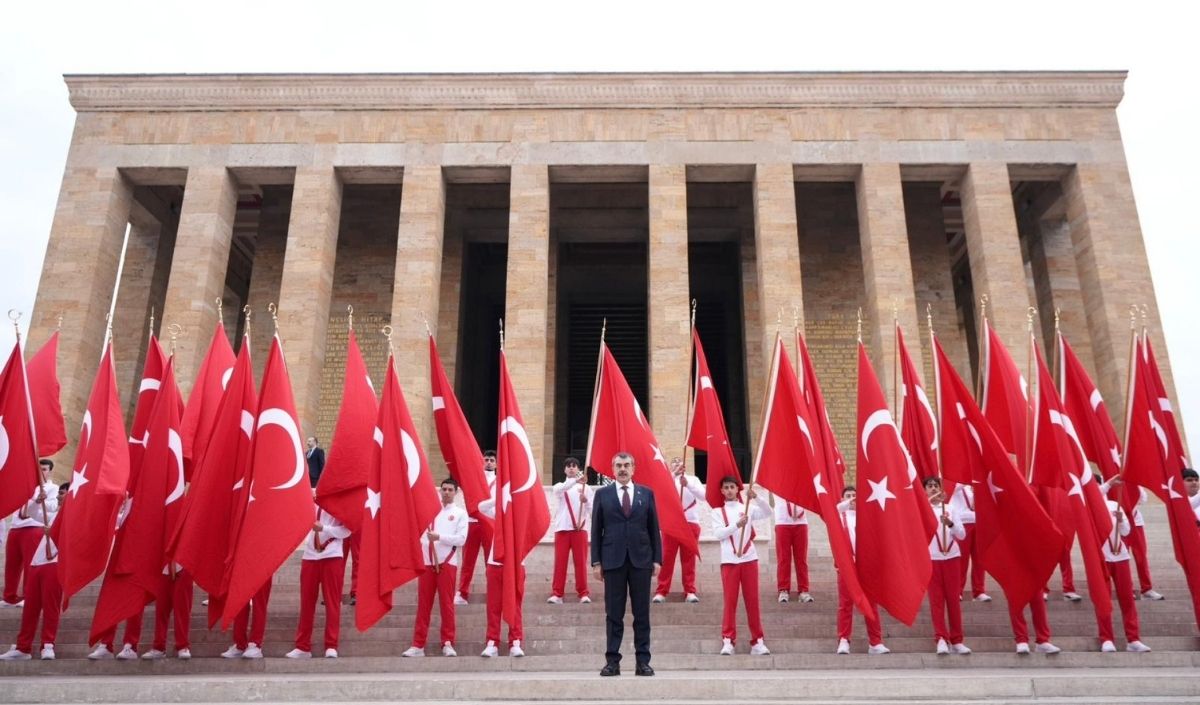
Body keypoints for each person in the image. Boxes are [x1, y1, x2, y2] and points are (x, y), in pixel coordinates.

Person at [591, 452, 661, 677]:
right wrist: (596, 561)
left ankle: (643, 661)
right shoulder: (602, 495)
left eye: (626, 465)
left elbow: (653, 529)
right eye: (618, 465)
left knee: (642, 614)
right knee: (614, 614)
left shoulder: (646, 494)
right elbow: (596, 529)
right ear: (612, 469)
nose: (623, 469)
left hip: (641, 560)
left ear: (634, 468)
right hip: (613, 560)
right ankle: (612, 661)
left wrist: (657, 559)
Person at [403, 478, 468, 657]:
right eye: (444, 489)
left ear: (456, 492)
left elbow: (461, 539)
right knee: (423, 605)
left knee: (446, 604)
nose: (446, 492)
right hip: (427, 562)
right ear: (440, 491)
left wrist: (439, 537)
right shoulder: (429, 512)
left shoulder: (460, 514)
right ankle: (418, 644)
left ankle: (447, 642)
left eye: (450, 490)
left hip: (447, 563)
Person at [712, 478, 771, 656]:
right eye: (726, 488)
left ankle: (757, 641)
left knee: (752, 601)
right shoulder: (717, 511)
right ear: (721, 491)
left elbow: (768, 512)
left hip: (749, 559)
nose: (729, 490)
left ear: (738, 489)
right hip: (729, 561)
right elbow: (718, 534)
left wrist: (757, 498)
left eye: (732, 487)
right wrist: (736, 525)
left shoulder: (747, 508)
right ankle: (728, 640)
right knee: (730, 602)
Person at [1096, 476, 1152, 653]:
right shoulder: (1088, 506)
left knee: (1127, 599)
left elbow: (1126, 531)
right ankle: (1106, 639)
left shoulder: (1114, 505)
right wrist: (1109, 483)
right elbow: (1094, 495)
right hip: (1099, 558)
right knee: (1103, 600)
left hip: (1120, 556)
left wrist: (1121, 519)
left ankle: (1133, 639)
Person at [286, 503, 349, 658]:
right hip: (310, 555)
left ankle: (331, 645)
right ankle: (302, 646)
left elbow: (347, 531)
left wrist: (324, 529)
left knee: (332, 602)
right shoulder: (309, 502)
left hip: (332, 556)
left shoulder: (340, 504)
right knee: (306, 602)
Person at [0, 505, 60, 659]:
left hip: (56, 563)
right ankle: (23, 648)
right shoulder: (53, 514)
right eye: (59, 493)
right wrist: (36, 501)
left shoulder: (75, 518)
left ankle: (48, 644)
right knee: (30, 609)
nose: (60, 496)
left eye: (63, 493)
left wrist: (55, 533)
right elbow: (30, 513)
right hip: (37, 563)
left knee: (50, 607)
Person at [835, 486, 887, 655]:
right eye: (848, 496)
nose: (852, 499)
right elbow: (836, 509)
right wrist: (847, 502)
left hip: (866, 566)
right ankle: (843, 640)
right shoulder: (838, 516)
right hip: (847, 566)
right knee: (845, 604)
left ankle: (875, 642)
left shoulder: (866, 517)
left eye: (854, 496)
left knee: (871, 604)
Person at [923, 477, 971, 655]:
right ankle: (941, 638)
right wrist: (927, 504)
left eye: (936, 486)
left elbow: (962, 534)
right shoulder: (922, 509)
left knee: (953, 600)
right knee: (936, 601)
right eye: (930, 486)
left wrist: (949, 523)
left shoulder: (950, 508)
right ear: (925, 490)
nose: (933, 489)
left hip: (951, 557)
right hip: (933, 558)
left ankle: (957, 640)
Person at [478, 482, 525, 657]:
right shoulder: (500, 505)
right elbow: (480, 508)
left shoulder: (523, 506)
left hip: (517, 562)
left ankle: (515, 641)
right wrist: (499, 498)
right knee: (493, 605)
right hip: (495, 560)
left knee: (515, 604)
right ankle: (492, 642)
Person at [2, 459, 58, 609]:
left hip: (34, 527)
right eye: (39, 469)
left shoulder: (52, 488)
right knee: (11, 565)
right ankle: (9, 597)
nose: (41, 472)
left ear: (50, 471)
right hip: (16, 527)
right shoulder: (25, 485)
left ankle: (28, 597)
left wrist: (41, 501)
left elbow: (53, 507)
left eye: (45, 469)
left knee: (29, 564)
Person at [653, 457, 703, 604]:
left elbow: (703, 496)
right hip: (671, 523)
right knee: (667, 558)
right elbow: (658, 492)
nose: (676, 463)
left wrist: (688, 485)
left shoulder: (693, 479)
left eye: (679, 461)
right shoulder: (667, 479)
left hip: (690, 522)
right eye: (673, 461)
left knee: (688, 559)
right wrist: (673, 475)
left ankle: (690, 591)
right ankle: (661, 590)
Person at [548, 457, 593, 604]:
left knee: (580, 562)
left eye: (574, 466)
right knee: (560, 563)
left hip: (580, 529)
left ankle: (583, 593)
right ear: (564, 469)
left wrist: (585, 502)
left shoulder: (587, 488)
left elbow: (593, 510)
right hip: (562, 528)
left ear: (579, 469)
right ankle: (557, 594)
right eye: (568, 466)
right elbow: (560, 490)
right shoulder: (560, 486)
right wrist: (576, 481)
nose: (572, 468)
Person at [455, 450, 497, 605]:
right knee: (468, 560)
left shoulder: (499, 481)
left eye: (492, 460)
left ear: (496, 463)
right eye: (486, 459)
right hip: (472, 521)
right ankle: (462, 592)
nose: (489, 462)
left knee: (490, 561)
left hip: (489, 521)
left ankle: (493, 592)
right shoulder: (474, 479)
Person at [948, 481, 989, 602]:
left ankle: (979, 591)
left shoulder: (971, 485)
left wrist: (977, 487)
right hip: (962, 523)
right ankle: (957, 590)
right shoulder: (951, 479)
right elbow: (948, 490)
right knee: (962, 560)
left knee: (980, 559)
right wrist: (968, 479)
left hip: (978, 522)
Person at [770, 491, 812, 604]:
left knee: (801, 559)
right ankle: (783, 589)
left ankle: (803, 590)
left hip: (801, 523)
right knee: (783, 559)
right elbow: (771, 502)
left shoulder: (801, 483)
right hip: (782, 522)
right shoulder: (777, 483)